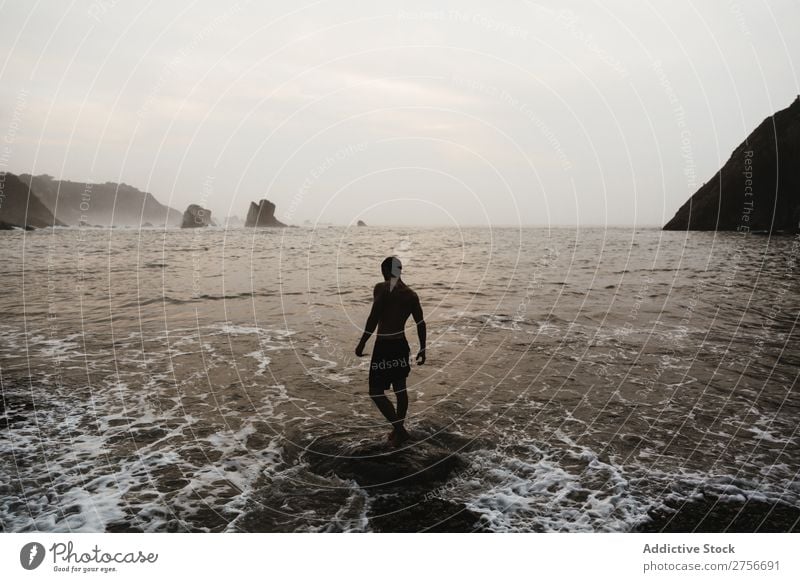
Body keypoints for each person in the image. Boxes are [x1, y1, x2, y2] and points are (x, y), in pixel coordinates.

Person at [355, 256, 426, 447]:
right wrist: (423, 348)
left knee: (376, 392)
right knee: (400, 389)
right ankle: (397, 431)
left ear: (386, 270)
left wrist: (362, 343)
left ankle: (401, 431)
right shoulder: (411, 294)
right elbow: (421, 323)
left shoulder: (382, 288)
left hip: (385, 346)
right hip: (401, 346)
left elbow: (373, 318)